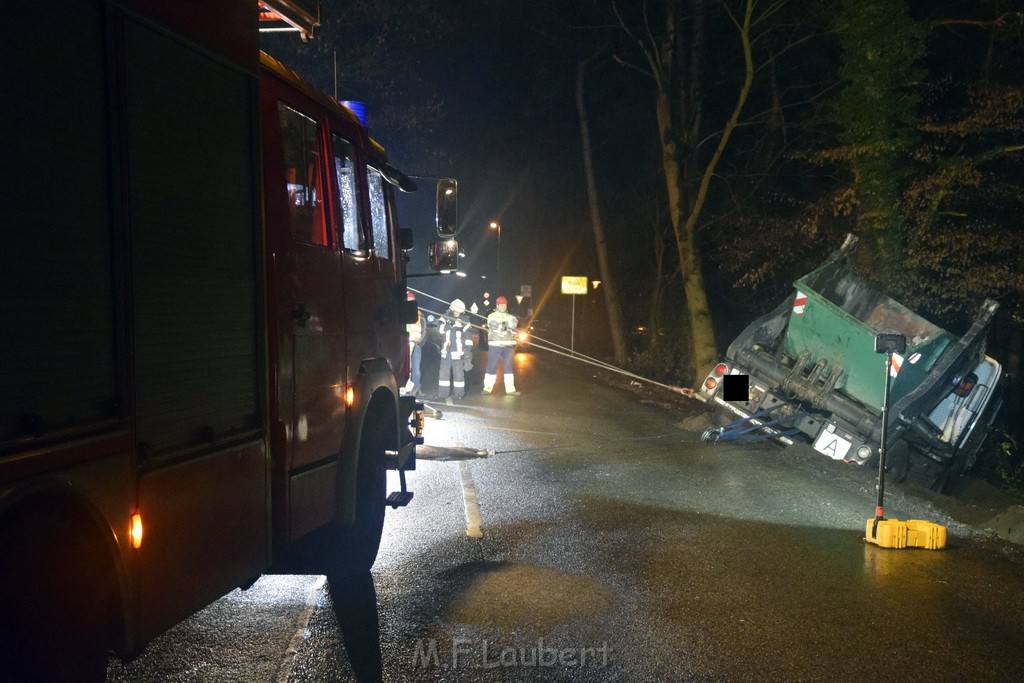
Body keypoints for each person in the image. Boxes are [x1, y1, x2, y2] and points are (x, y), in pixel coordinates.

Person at [437, 298, 473, 400]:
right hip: (446, 351)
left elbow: (468, 336)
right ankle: (443, 393)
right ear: (452, 309)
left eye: (459, 311)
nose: (457, 313)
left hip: (458, 352)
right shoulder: (444, 318)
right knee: (444, 374)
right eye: (456, 311)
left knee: (459, 374)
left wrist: (467, 350)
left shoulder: (465, 320)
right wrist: (449, 325)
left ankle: (459, 394)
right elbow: (440, 330)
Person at [484, 296, 519, 395]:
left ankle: (510, 389)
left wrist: (504, 326)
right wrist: (505, 326)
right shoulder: (492, 316)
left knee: (508, 366)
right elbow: (493, 325)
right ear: (497, 306)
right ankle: (487, 387)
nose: (503, 307)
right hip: (495, 344)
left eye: (505, 305)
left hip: (508, 345)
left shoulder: (510, 316)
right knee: (492, 365)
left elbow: (514, 323)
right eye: (501, 305)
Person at [403, 291, 424, 396]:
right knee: (408, 367)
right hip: (407, 343)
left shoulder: (419, 313)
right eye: (408, 300)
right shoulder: (402, 313)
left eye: (412, 300)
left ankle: (417, 388)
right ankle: (408, 389)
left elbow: (424, 328)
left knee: (416, 369)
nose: (410, 302)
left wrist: (421, 341)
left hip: (417, 344)